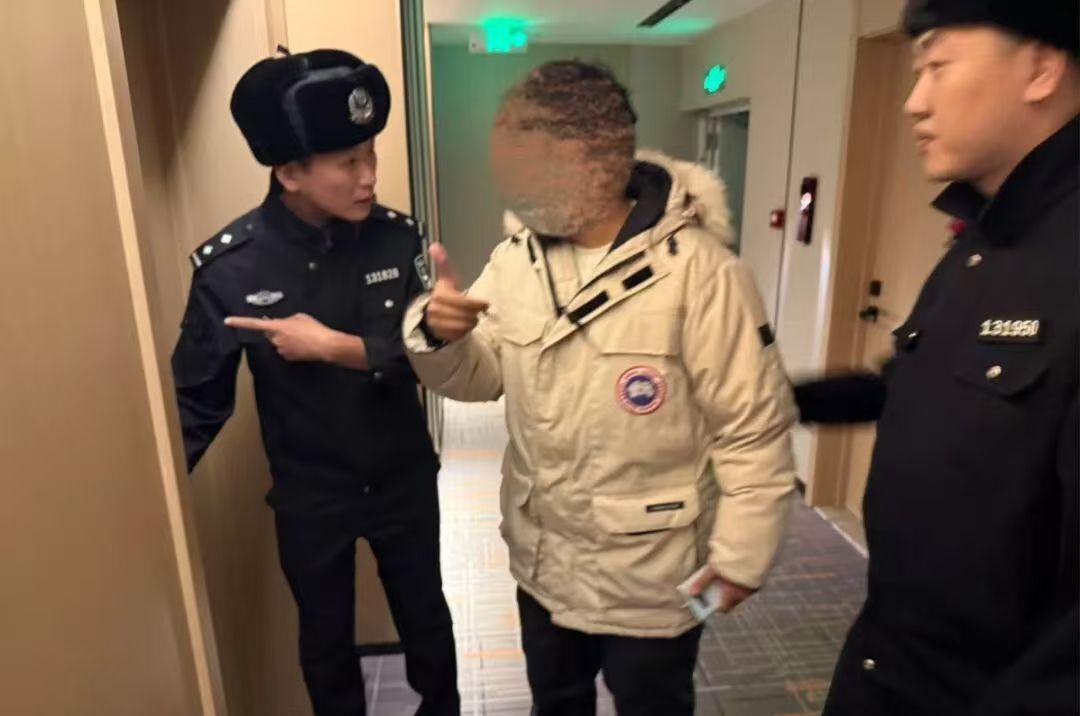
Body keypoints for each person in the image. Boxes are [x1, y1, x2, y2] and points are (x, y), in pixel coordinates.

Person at [403, 60, 797, 715]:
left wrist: (739, 560)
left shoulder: (703, 275)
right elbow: (483, 376)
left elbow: (752, 430)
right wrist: (440, 336)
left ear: (588, 155)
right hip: (543, 567)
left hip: (654, 581)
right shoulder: (517, 261)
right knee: (555, 703)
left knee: (655, 707)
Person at [794, 2, 1079, 714]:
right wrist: (778, 400)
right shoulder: (984, 241)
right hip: (887, 659)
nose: (913, 101)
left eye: (938, 66)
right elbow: (913, 389)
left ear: (1041, 68)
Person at [171, 49, 459, 716]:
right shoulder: (232, 267)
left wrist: (331, 347)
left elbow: (425, 359)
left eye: (371, 154)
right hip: (310, 493)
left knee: (427, 622)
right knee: (325, 644)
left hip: (402, 478)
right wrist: (139, 508)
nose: (369, 177)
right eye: (348, 162)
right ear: (289, 173)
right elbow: (194, 403)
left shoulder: (398, 240)